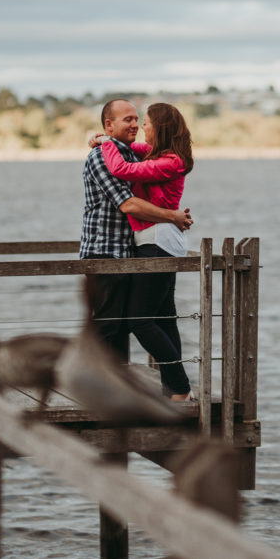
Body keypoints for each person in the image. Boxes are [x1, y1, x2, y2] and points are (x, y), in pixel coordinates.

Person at [80, 98, 192, 395]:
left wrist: (103, 140)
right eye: (128, 119)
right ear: (109, 124)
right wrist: (99, 140)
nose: (137, 125)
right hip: (108, 251)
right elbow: (128, 203)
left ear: (161, 129)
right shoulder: (116, 154)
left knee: (142, 320)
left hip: (149, 244)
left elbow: (127, 184)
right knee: (121, 324)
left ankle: (175, 388)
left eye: (141, 121)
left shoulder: (162, 158)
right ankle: (122, 391)